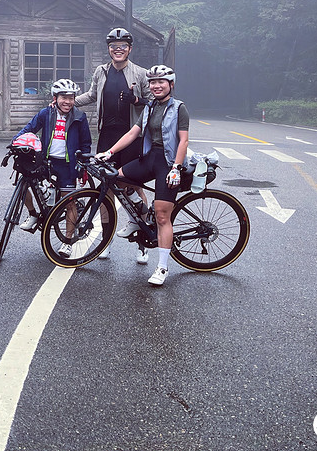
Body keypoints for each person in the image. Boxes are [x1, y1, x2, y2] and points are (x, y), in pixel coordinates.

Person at [96, 65, 188, 286]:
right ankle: (139, 216)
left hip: (167, 163)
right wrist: (110, 152)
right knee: (116, 178)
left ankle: (162, 267)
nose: (156, 86)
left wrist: (176, 167)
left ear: (171, 85)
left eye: (161, 82)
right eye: (153, 82)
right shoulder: (149, 107)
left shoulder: (179, 108)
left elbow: (183, 140)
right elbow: (133, 133)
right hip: (149, 158)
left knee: (163, 217)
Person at [75, 27, 152, 258]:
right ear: (109, 49)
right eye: (113, 47)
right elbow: (91, 95)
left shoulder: (141, 73)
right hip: (107, 136)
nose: (118, 50)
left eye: (122, 47)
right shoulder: (101, 71)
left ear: (129, 49)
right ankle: (105, 241)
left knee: (132, 186)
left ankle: (143, 243)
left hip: (131, 137)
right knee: (106, 189)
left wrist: (136, 99)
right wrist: (65, 102)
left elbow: (153, 102)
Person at [14, 78, 92, 257]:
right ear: (55, 98)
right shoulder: (46, 113)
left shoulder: (80, 117)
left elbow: (86, 143)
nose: (67, 101)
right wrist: (16, 142)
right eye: (63, 97)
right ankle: (33, 214)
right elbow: (29, 128)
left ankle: (67, 242)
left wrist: (83, 165)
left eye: (71, 98)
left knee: (69, 202)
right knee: (23, 182)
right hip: (46, 161)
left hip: (67, 164)